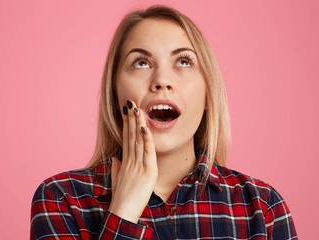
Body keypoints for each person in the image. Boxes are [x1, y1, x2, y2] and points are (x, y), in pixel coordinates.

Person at [30, 5, 297, 240]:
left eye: (183, 61)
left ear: (207, 94)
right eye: (141, 63)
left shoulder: (263, 207)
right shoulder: (60, 199)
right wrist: (124, 209)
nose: (162, 80)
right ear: (115, 94)